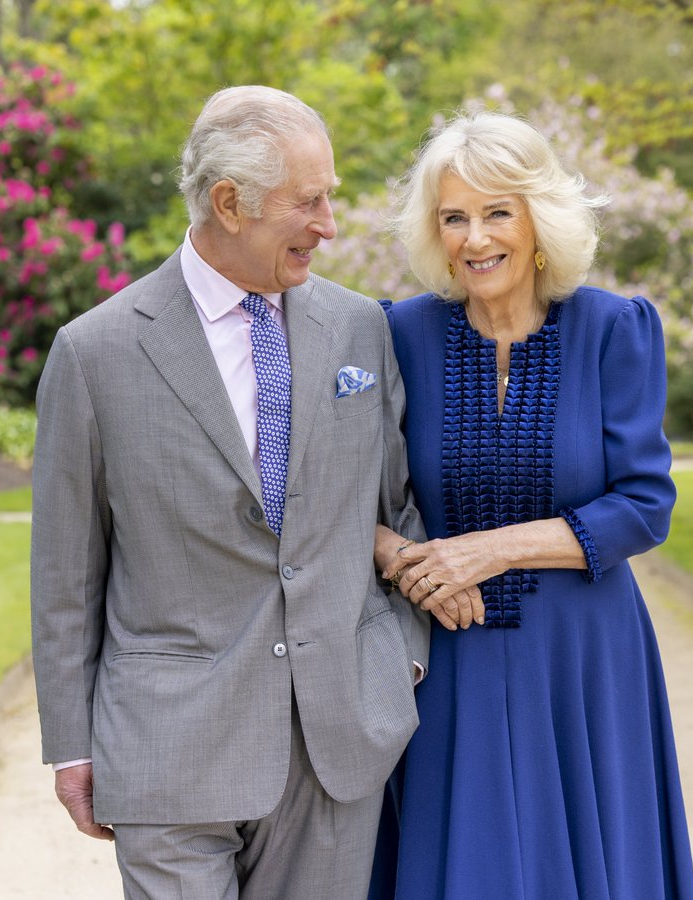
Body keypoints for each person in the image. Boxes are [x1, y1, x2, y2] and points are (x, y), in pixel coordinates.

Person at [30, 85, 477, 899]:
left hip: (334, 741)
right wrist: (71, 745)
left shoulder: (357, 328)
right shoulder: (94, 354)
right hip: (169, 752)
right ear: (230, 203)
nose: (330, 225)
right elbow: (66, 571)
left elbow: (394, 506)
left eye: (330, 197)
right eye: (309, 201)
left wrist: (396, 661)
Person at [369, 111, 693, 899]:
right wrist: (403, 561)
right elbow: (342, 495)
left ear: (538, 221)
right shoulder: (395, 335)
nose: (475, 238)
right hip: (449, 654)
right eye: (454, 217)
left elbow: (646, 504)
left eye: (496, 213)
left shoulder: (615, 328)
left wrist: (494, 548)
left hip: (586, 660)